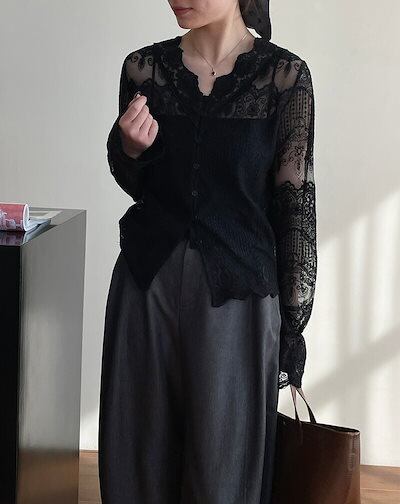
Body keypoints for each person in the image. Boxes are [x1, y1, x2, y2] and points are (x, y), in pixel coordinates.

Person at [98, 1, 317, 503]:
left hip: (238, 298)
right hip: (145, 286)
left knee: (224, 468)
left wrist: (293, 324)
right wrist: (129, 149)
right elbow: (137, 183)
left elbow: (295, 205)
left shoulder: (285, 77)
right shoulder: (144, 69)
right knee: (138, 457)